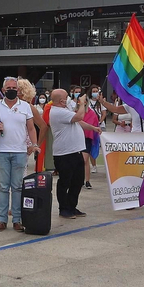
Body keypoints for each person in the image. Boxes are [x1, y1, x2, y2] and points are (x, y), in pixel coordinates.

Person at [0, 76, 38, 231]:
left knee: (17, 187)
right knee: (3, 187)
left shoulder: (25, 106)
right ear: (3, 90)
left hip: (19, 151)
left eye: (14, 88)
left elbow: (31, 128)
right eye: (8, 88)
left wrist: (34, 144)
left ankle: (17, 220)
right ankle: (2, 219)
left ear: (18, 90)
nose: (11, 90)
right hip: (1, 151)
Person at [46, 88, 98, 219]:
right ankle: (63, 208)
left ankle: (72, 206)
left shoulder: (65, 111)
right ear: (62, 101)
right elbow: (79, 116)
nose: (69, 98)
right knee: (65, 182)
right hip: (64, 153)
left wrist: (93, 128)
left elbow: (79, 121)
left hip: (75, 151)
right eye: (66, 97)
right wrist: (81, 104)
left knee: (77, 181)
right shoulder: (57, 112)